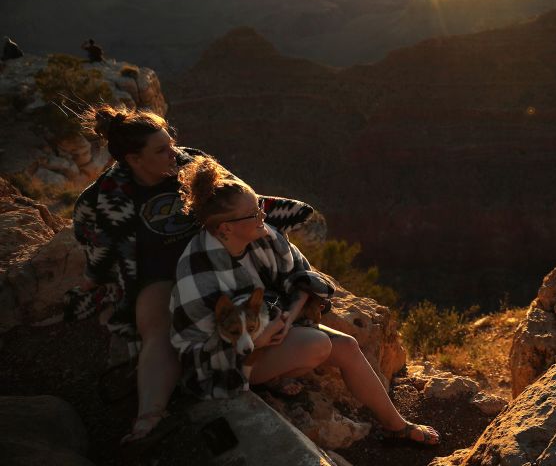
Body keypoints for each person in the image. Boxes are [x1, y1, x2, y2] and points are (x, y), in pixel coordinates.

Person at [73, 105, 313, 443]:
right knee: (158, 329)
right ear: (133, 158)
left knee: (257, 314)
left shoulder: (194, 164)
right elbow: (98, 248)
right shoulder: (102, 197)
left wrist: (276, 218)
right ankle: (150, 414)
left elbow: (238, 199)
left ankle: (256, 370)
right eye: (161, 150)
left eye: (171, 143)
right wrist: (93, 279)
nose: (173, 153)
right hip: (161, 276)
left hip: (215, 262)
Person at [170, 155, 440, 446]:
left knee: (347, 346)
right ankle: (267, 380)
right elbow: (198, 350)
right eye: (253, 213)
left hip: (272, 330)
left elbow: (304, 277)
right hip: (223, 363)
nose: (263, 215)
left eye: (259, 206)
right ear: (225, 229)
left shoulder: (266, 237)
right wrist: (258, 339)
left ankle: (397, 425)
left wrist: (288, 316)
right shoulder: (199, 270)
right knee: (317, 345)